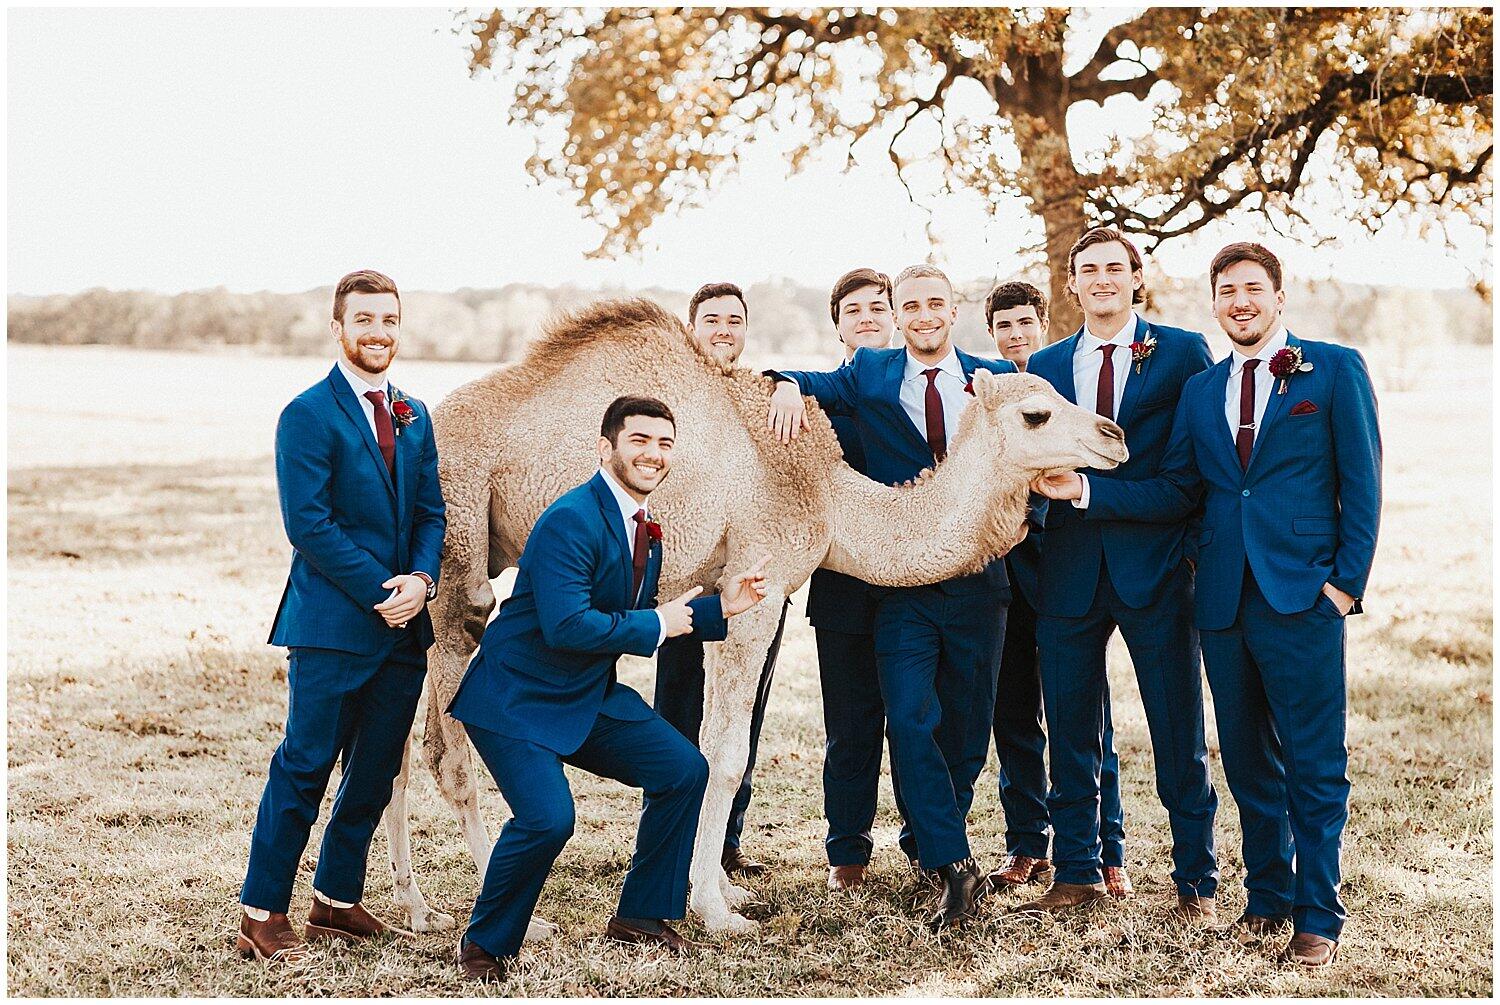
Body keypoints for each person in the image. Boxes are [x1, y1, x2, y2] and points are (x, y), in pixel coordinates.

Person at [1036, 241, 1381, 966]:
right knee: (1249, 760)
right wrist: (1088, 491)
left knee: (1314, 764)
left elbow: (1363, 483)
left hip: (1302, 596)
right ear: (1214, 301)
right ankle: (1266, 899)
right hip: (1220, 600)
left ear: (1277, 297)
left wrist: (1344, 585)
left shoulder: (1335, 368)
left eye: (1252, 289)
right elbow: (1182, 489)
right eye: (1227, 291)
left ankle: (1317, 915)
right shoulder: (1205, 389)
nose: (1240, 302)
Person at [446, 395, 770, 982]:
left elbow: (637, 611)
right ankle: (483, 946)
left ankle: (641, 917)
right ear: (607, 448)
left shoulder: (646, 527)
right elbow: (568, 625)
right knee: (548, 819)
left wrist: (724, 606)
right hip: (513, 699)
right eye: (639, 440)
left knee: (682, 770)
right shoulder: (572, 519)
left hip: (586, 694)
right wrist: (659, 624)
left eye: (664, 443)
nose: (653, 454)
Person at [765, 264, 1015, 929]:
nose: (923, 313)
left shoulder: (992, 379)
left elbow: (1030, 452)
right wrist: (788, 383)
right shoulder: (870, 373)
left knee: (965, 729)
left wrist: (1019, 526)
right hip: (897, 580)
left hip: (978, 580)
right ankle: (948, 862)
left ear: (954, 307)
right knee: (905, 719)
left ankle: (933, 841)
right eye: (911, 305)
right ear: (899, 316)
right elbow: (810, 381)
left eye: (937, 301)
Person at [239, 270, 445, 963]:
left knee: (377, 767)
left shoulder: (415, 413)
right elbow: (310, 524)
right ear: (339, 327)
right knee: (305, 765)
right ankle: (262, 913)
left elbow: (430, 512)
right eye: (364, 319)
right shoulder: (307, 413)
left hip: (405, 625)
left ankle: (334, 899)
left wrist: (421, 578)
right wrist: (383, 590)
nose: (378, 331)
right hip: (331, 625)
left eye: (388, 319)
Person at [1015, 228, 1220, 921]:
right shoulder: (1041, 363)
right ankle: (1075, 870)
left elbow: (1188, 479)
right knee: (1071, 728)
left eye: (1114, 267)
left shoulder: (1184, 352)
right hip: (1067, 571)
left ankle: (1195, 878)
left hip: (1156, 569)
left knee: (1177, 730)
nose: (1101, 278)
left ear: (1136, 277)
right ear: (1070, 285)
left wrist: (1092, 494)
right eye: (1087, 270)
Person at [980, 281, 1129, 897]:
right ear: (990, 335)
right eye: (1003, 326)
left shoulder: (1066, 393)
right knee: (1012, 714)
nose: (1015, 336)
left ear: (1043, 324)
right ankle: (1026, 846)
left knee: (1085, 714)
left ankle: (1105, 847)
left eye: (1024, 323)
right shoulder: (987, 400)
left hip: (1065, 568)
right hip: (1003, 576)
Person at [653, 281, 788, 876]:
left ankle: (723, 841)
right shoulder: (667, 400)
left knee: (742, 711)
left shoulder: (758, 398)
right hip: (685, 583)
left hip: (752, 576)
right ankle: (668, 838)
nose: (724, 330)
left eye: (735, 320)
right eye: (712, 320)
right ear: (692, 327)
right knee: (679, 709)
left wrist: (786, 381)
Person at [810, 268, 898, 891]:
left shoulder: (920, 386)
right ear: (837, 323)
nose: (867, 317)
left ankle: (926, 841)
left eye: (878, 307)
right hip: (841, 586)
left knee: (923, 722)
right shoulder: (815, 399)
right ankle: (848, 850)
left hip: (914, 578)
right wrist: (787, 386)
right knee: (849, 725)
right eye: (854, 310)